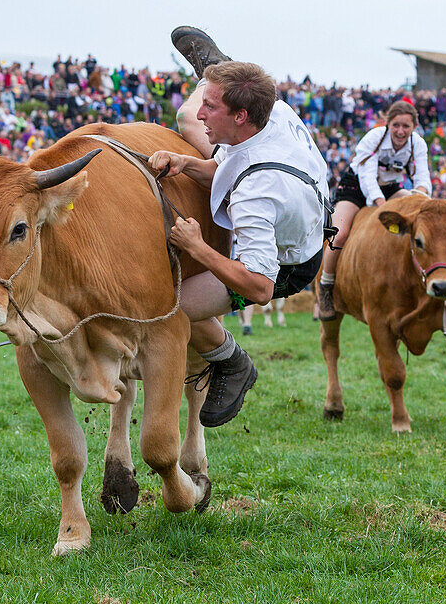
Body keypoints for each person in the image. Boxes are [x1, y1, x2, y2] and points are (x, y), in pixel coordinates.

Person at [147, 28, 328, 428]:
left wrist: (198, 248)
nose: (199, 114)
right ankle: (220, 71)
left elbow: (260, 287)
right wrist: (188, 164)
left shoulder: (255, 193)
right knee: (182, 123)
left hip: (286, 264)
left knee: (166, 308)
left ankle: (232, 361)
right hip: (297, 206)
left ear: (240, 115)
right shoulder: (273, 112)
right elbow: (229, 164)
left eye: (209, 106)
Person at [315, 100, 430, 320]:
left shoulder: (418, 144)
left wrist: (421, 199)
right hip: (355, 188)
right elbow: (368, 178)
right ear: (388, 123)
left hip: (391, 188)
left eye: (406, 126)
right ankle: (326, 287)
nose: (400, 131)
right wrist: (383, 209)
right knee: (339, 234)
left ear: (414, 126)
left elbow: (422, 176)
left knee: (419, 215)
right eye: (396, 125)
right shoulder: (374, 138)